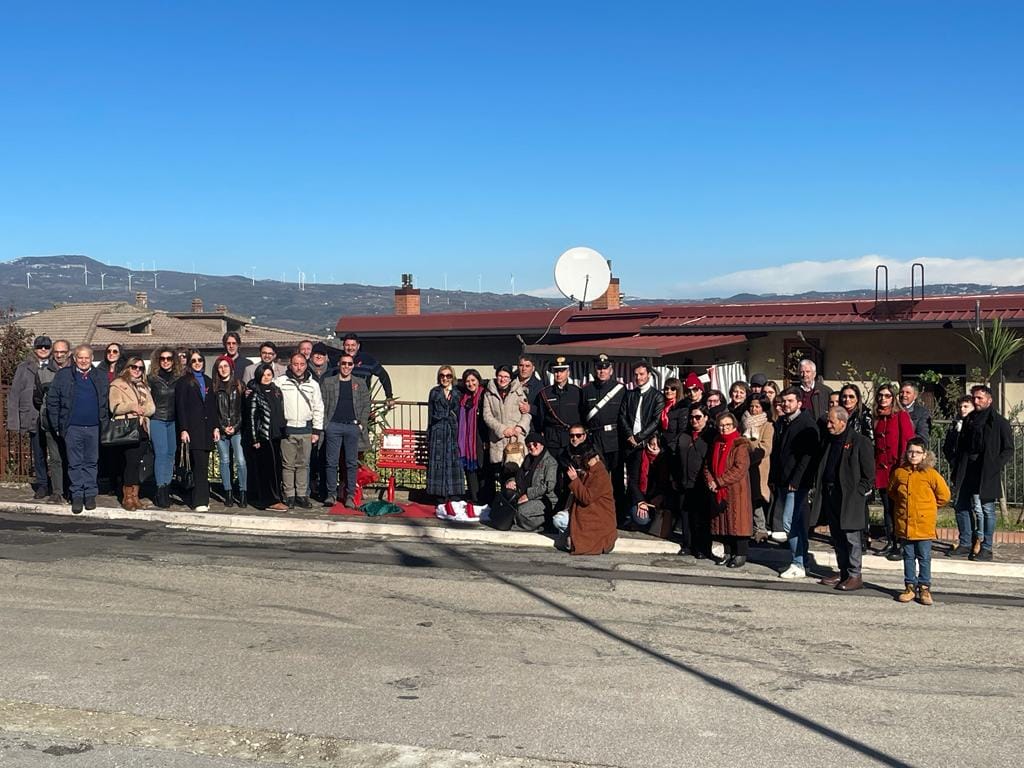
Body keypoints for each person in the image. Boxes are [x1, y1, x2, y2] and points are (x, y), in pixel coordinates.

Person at [811, 407, 873, 591]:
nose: (828, 425)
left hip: (850, 497)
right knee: (837, 536)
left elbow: (869, 475)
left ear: (842, 422)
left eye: (831, 422)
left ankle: (855, 575)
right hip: (831, 494)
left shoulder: (860, 441)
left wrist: (859, 492)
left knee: (851, 537)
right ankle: (844, 572)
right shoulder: (829, 441)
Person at [949, 385, 1012, 562]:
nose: (976, 401)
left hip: (986, 471)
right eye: (974, 398)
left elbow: (1008, 449)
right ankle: (966, 542)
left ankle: (986, 547)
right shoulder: (969, 420)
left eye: (980, 398)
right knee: (961, 504)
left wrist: (994, 466)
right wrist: (957, 465)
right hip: (966, 469)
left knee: (987, 509)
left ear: (989, 400)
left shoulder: (999, 422)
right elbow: (961, 446)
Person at [46, 345, 111, 514]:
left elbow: (106, 402)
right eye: (80, 358)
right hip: (72, 427)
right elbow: (53, 402)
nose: (83, 361)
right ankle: (76, 495)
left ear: (91, 359)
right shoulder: (64, 375)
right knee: (75, 463)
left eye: (87, 358)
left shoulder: (100, 376)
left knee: (91, 462)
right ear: (74, 358)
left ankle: (89, 494)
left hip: (94, 427)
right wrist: (57, 425)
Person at [889, 437, 951, 605]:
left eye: (917, 452)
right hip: (905, 524)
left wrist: (928, 508)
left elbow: (944, 496)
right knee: (908, 556)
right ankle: (909, 586)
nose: (913, 455)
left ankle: (924, 588)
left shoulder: (930, 474)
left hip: (924, 524)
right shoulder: (899, 472)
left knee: (924, 557)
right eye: (910, 452)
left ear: (924, 455)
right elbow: (892, 492)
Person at [770, 387, 820, 579]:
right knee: (796, 523)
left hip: (796, 482)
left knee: (789, 523)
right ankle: (801, 560)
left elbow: (808, 457)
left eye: (790, 401)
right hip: (783, 480)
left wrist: (797, 480)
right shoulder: (783, 422)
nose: (786, 404)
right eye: (784, 401)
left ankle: (798, 562)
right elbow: (779, 453)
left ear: (799, 403)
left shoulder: (806, 424)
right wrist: (774, 478)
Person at [8, 335, 57, 499]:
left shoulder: (57, 366)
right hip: (32, 416)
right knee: (38, 453)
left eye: (46, 347)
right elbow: (14, 395)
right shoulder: (24, 367)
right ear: (34, 349)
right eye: (40, 347)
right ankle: (42, 484)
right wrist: (14, 423)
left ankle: (58, 486)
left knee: (56, 453)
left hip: (52, 416)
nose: (43, 349)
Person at [320, 353, 372, 507]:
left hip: (352, 427)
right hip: (333, 426)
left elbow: (366, 405)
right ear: (339, 364)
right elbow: (321, 404)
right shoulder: (328, 383)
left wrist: (361, 424)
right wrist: (326, 425)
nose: (346, 367)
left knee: (351, 463)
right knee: (331, 462)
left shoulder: (360, 383)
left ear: (353, 366)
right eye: (344, 363)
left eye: (350, 364)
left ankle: (350, 495)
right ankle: (331, 495)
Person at [275, 352, 324, 508]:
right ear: (290, 364)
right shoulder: (281, 382)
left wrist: (316, 431)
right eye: (295, 364)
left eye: (302, 364)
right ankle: (289, 495)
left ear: (306, 365)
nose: (298, 367)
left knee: (303, 464)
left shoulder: (313, 384)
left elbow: (318, 408)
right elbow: (266, 389)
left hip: (306, 429)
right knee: (288, 465)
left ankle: (302, 495)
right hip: (288, 429)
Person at [704, 411, 753, 568]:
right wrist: (711, 480)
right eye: (721, 426)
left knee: (738, 523)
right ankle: (727, 552)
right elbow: (707, 465)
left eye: (727, 425)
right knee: (723, 524)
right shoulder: (716, 442)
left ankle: (740, 554)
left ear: (734, 426)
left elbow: (739, 469)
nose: (724, 428)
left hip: (736, 490)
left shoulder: (740, 444)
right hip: (718, 490)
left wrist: (719, 481)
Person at [619, 361, 665, 523]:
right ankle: (629, 511)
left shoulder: (657, 396)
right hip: (629, 443)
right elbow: (622, 416)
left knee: (644, 478)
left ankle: (643, 511)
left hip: (645, 445)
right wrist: (630, 436)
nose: (639, 377)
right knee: (629, 478)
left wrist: (639, 437)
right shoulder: (630, 394)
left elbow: (656, 420)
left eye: (642, 374)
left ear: (649, 375)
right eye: (636, 374)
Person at [873, 383, 915, 559]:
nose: (883, 399)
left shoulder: (901, 416)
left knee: (897, 508)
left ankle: (901, 545)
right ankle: (891, 542)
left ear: (894, 398)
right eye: (881, 395)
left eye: (887, 396)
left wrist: (904, 467)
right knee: (887, 507)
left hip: (896, 468)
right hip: (882, 469)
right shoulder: (877, 417)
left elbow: (907, 441)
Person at [108, 357, 156, 511]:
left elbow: (151, 407)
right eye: (134, 367)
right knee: (130, 463)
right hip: (128, 427)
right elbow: (114, 407)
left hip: (142, 427)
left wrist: (143, 410)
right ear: (128, 368)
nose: (137, 370)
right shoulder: (118, 385)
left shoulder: (143, 386)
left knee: (137, 464)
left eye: (140, 368)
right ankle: (127, 496)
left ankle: (135, 496)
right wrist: (133, 406)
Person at [175, 350, 218, 512]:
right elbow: (181, 408)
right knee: (198, 465)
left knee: (203, 465)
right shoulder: (184, 382)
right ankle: (200, 500)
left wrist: (215, 427)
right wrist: (184, 429)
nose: (197, 363)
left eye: (200, 360)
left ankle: (201, 497)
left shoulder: (208, 381)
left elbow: (212, 406)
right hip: (193, 429)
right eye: (194, 361)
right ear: (189, 364)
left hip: (206, 430)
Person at [581, 354, 625, 503]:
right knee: (597, 477)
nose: (602, 371)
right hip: (595, 440)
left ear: (611, 371)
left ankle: (618, 511)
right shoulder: (587, 390)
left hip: (615, 439)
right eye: (599, 368)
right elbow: (582, 415)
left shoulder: (620, 390)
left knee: (617, 479)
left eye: (605, 368)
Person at [943, 396, 982, 556]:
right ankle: (965, 541)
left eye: (966, 406)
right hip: (959, 472)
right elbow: (947, 447)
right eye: (960, 406)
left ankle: (981, 540)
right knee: (960, 505)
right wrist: (953, 462)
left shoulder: (979, 425)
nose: (962, 409)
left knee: (979, 508)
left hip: (976, 471)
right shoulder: (955, 426)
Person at [34, 338, 71, 503]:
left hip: (72, 423)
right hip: (50, 422)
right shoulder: (43, 373)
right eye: (56, 352)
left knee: (72, 457)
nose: (59, 355)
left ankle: (71, 489)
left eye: (63, 352)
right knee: (55, 459)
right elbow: (37, 397)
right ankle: (57, 492)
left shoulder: (76, 371)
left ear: (69, 353)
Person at [247, 363, 288, 511]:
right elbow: (251, 418)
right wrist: (255, 439)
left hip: (276, 435)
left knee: (277, 468)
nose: (266, 378)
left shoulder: (276, 391)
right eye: (263, 375)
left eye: (269, 375)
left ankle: (278, 497)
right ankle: (270, 500)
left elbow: (280, 411)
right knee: (267, 470)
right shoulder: (255, 394)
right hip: (263, 437)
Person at [565, 445, 617, 555]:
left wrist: (575, 480)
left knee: (560, 521)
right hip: (589, 513)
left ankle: (573, 538)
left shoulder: (600, 474)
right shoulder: (591, 472)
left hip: (597, 517)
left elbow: (586, 497)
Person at [502, 432, 559, 532]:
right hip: (523, 494)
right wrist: (512, 481)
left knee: (521, 511)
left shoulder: (550, 462)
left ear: (541, 444)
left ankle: (542, 524)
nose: (532, 447)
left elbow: (548, 486)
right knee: (509, 506)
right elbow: (519, 476)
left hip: (544, 499)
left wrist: (528, 495)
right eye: (529, 446)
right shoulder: (528, 459)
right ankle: (524, 523)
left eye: (535, 444)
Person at [677, 405, 713, 558]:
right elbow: (675, 458)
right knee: (686, 516)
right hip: (684, 481)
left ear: (705, 418)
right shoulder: (684, 435)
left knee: (702, 518)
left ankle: (702, 548)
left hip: (702, 483)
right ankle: (687, 544)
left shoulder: (710, 435)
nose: (694, 420)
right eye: (692, 417)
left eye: (698, 417)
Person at [481, 364, 531, 477]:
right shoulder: (489, 393)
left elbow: (526, 414)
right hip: (499, 440)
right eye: (500, 376)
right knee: (502, 478)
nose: (502, 379)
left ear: (510, 378)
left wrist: (520, 427)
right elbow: (487, 416)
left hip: (516, 440)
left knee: (518, 477)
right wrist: (502, 429)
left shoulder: (519, 392)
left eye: (506, 377)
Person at [147, 347, 181, 509]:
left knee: (170, 454)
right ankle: (160, 490)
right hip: (158, 419)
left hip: (174, 420)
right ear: (158, 361)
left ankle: (167, 488)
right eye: (162, 359)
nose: (166, 361)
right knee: (161, 454)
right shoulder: (152, 379)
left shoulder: (179, 378)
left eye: (169, 358)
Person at [426, 365, 464, 502]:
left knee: (454, 461)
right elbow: (430, 414)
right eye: (442, 375)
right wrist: (429, 433)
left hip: (453, 430)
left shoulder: (458, 393)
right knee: (438, 462)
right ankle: (438, 493)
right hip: (438, 430)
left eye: (448, 376)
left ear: (452, 377)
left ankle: (454, 493)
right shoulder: (434, 392)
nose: (445, 378)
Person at [213, 356, 247, 508]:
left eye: (226, 366)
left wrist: (236, 426)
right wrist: (220, 427)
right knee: (225, 460)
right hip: (221, 430)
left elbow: (243, 410)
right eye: (220, 367)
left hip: (237, 428)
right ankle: (228, 492)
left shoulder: (239, 385)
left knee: (240, 460)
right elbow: (212, 411)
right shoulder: (214, 387)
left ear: (231, 368)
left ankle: (243, 492)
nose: (223, 369)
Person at [534, 356, 583, 455]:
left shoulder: (577, 392)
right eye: (556, 371)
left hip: (572, 438)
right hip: (552, 439)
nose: (558, 374)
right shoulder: (545, 394)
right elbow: (540, 418)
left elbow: (582, 414)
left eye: (562, 371)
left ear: (568, 373)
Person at [628, 433, 674, 538]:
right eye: (652, 444)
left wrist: (660, 496)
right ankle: (635, 520)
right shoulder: (640, 455)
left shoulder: (664, 458)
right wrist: (640, 501)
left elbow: (666, 482)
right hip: (640, 495)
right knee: (641, 519)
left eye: (658, 445)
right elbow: (633, 481)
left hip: (656, 495)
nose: (654, 448)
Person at [741, 394, 773, 542]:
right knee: (746, 498)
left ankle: (761, 529)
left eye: (757, 406)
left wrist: (750, 451)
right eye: (752, 406)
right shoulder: (744, 422)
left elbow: (766, 447)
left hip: (758, 466)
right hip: (743, 467)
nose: (754, 409)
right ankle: (748, 529)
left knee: (757, 499)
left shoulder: (767, 425)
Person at [455, 369, 488, 505]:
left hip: (480, 437)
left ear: (478, 381)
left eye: (473, 380)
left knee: (482, 468)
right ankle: (474, 498)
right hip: (466, 440)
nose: (470, 384)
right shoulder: (463, 398)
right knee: (470, 469)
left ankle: (484, 499)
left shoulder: (484, 395)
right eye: (467, 381)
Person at [341, 333, 394, 405]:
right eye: (347, 345)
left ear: (358, 346)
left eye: (353, 345)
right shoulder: (337, 360)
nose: (350, 348)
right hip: (341, 404)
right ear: (343, 346)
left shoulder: (368, 360)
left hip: (362, 405)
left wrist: (389, 396)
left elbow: (383, 375)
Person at [515, 354, 542, 420]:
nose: (524, 369)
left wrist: (531, 408)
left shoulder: (540, 386)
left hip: (531, 426)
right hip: (510, 425)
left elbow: (544, 410)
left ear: (533, 368)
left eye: (527, 366)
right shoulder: (510, 382)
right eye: (521, 365)